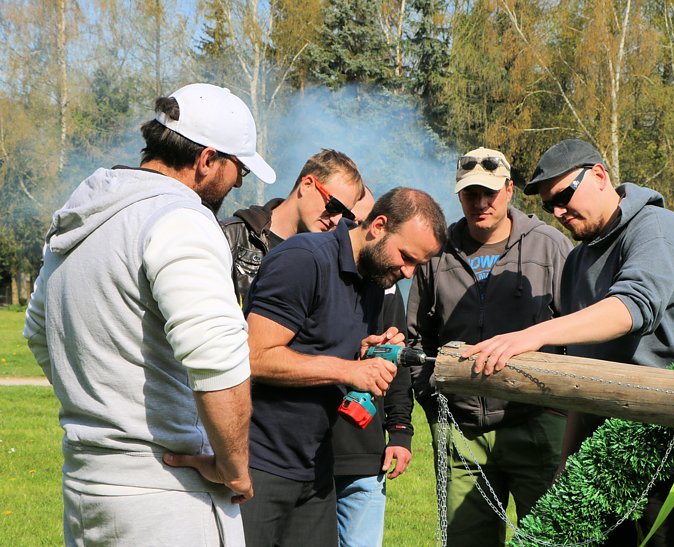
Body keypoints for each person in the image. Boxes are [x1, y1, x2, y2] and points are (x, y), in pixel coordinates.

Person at [22, 83, 277, 545]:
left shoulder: (84, 214)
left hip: (86, 486)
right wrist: (234, 467)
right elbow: (218, 358)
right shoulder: (182, 219)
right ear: (207, 160)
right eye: (237, 168)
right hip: (167, 497)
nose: (239, 183)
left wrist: (103, 405)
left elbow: (41, 331)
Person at [465, 139, 674, 545]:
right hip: (602, 459)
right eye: (549, 206)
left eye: (564, 196)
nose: (558, 212)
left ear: (600, 175)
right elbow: (581, 378)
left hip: (672, 444)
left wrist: (531, 335)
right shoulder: (577, 261)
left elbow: (632, 307)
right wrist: (567, 465)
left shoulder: (656, 228)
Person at [240, 187, 447, 546]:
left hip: (318, 467)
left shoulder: (372, 280)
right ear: (378, 226)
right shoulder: (304, 259)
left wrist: (365, 354)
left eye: (418, 265)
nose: (409, 272)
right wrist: (347, 370)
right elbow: (253, 357)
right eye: (406, 257)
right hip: (261, 463)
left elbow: (321, 347)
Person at [406, 147, 573, 547]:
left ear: (509, 190)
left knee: (552, 540)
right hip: (462, 435)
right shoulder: (436, 253)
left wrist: (559, 411)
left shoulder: (549, 246)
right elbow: (416, 338)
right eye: (470, 194)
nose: (480, 203)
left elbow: (579, 330)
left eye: (490, 193)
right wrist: (435, 406)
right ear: (459, 195)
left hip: (537, 425)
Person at [334, 187, 414, 547]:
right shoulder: (306, 266)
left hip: (365, 454)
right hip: (307, 455)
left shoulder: (386, 281)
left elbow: (397, 362)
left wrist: (400, 432)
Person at [220, 148, 364, 305]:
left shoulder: (328, 261)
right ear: (307, 185)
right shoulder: (230, 236)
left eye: (345, 215)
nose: (336, 220)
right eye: (334, 206)